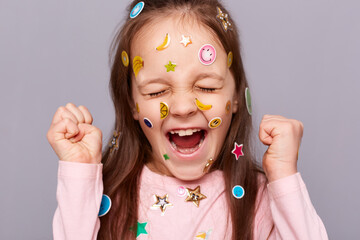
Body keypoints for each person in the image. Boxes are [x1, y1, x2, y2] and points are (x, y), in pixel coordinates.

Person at [47, 0, 328, 239]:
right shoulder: (107, 197)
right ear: (132, 103)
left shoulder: (258, 200)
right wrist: (80, 173)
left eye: (207, 87)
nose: (182, 107)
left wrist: (284, 177)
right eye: (157, 91)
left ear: (236, 97)